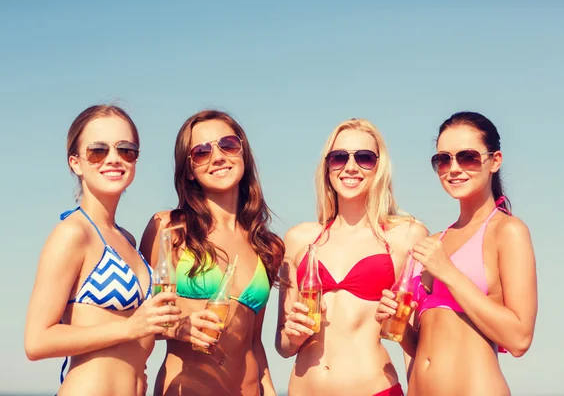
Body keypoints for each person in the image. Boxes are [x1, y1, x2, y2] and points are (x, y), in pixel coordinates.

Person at [376, 111, 538, 396]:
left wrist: (448, 272)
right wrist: (396, 325)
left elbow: (519, 338)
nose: (453, 168)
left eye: (468, 157)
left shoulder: (507, 231)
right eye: (443, 159)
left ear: (494, 161)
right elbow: (425, 346)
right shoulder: (435, 241)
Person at [24, 105, 181, 396]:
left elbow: (134, 330)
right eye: (98, 151)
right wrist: (130, 328)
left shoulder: (127, 239)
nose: (113, 159)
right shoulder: (73, 234)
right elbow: (36, 341)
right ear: (75, 163)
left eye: (126, 150)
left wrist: (181, 324)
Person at [276, 118, 428, 396]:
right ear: (327, 167)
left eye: (365, 158)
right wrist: (293, 335)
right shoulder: (298, 239)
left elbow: (421, 345)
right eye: (339, 158)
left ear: (379, 166)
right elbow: (283, 346)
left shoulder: (407, 236)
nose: (350, 166)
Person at [140, 109, 285, 396]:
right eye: (202, 152)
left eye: (228, 144)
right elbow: (135, 322)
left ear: (243, 153)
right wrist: (176, 327)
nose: (218, 157)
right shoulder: (169, 229)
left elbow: (254, 343)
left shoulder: (267, 246)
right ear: (189, 170)